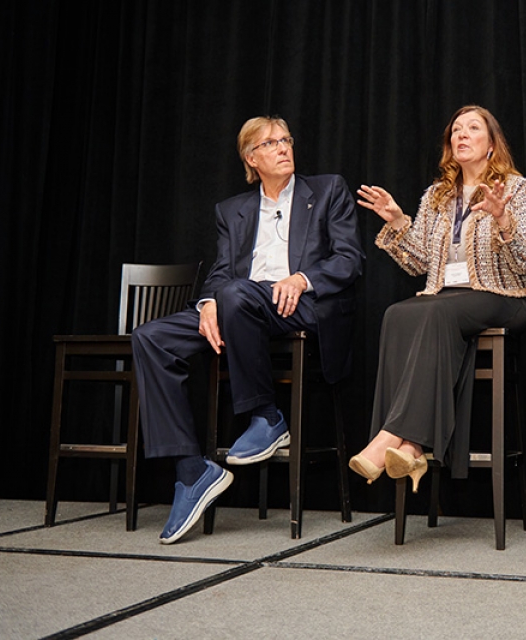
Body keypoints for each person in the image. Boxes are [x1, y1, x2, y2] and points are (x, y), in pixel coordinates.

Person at [132, 116, 364, 544]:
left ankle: (267, 416)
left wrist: (302, 278)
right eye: (271, 143)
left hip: (303, 307)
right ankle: (191, 470)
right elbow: (221, 273)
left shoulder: (328, 190)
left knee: (237, 294)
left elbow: (349, 260)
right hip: (242, 304)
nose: (283, 148)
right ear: (251, 158)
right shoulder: (232, 210)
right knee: (151, 338)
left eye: (287, 139)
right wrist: (206, 304)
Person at [349, 105, 526, 491]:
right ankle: (411, 448)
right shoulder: (437, 195)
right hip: (445, 298)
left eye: (473, 128)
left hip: (502, 295)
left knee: (433, 311)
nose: (462, 135)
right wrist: (397, 221)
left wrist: (503, 219)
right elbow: (420, 264)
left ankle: (390, 437)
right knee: (397, 314)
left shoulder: (516, 188)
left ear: (492, 144)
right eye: (456, 130)